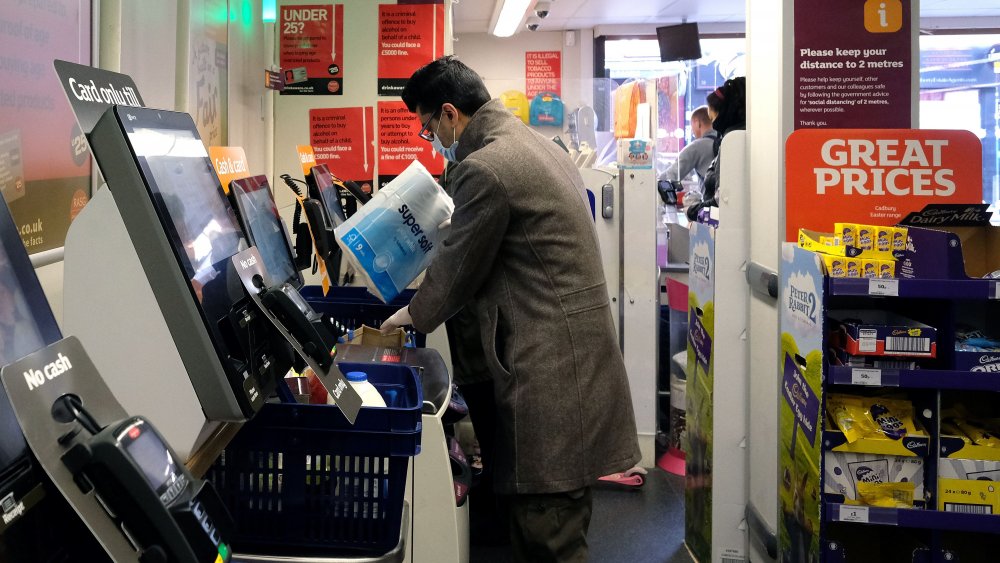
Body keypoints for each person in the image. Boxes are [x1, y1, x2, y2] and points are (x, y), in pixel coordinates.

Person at [381, 56, 641, 562]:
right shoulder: (535, 146)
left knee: (549, 534)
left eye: (427, 126)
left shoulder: (486, 167)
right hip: (573, 358)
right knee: (549, 521)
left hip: (550, 370)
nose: (429, 137)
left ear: (451, 113)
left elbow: (457, 268)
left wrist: (402, 320)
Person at [686, 77, 747, 221]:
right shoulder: (740, 137)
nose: (712, 122)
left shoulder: (731, 144)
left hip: (727, 232)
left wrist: (694, 211)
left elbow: (722, 206)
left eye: (712, 116)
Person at [660, 105, 717, 205]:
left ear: (697, 122)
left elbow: (672, 174)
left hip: (712, 209)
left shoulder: (697, 146)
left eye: (692, 126)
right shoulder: (723, 141)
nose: (692, 131)